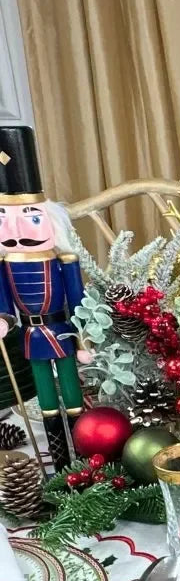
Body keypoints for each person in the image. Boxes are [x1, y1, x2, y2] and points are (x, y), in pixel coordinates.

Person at [0, 125, 91, 470]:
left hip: (63, 332)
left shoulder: (64, 261)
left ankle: (84, 458)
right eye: (4, 219)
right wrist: (4, 319)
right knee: (47, 402)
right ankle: (59, 463)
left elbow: (80, 303)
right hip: (31, 336)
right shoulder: (4, 264)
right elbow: (4, 301)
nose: (16, 231)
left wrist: (83, 339)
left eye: (30, 218)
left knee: (72, 397)